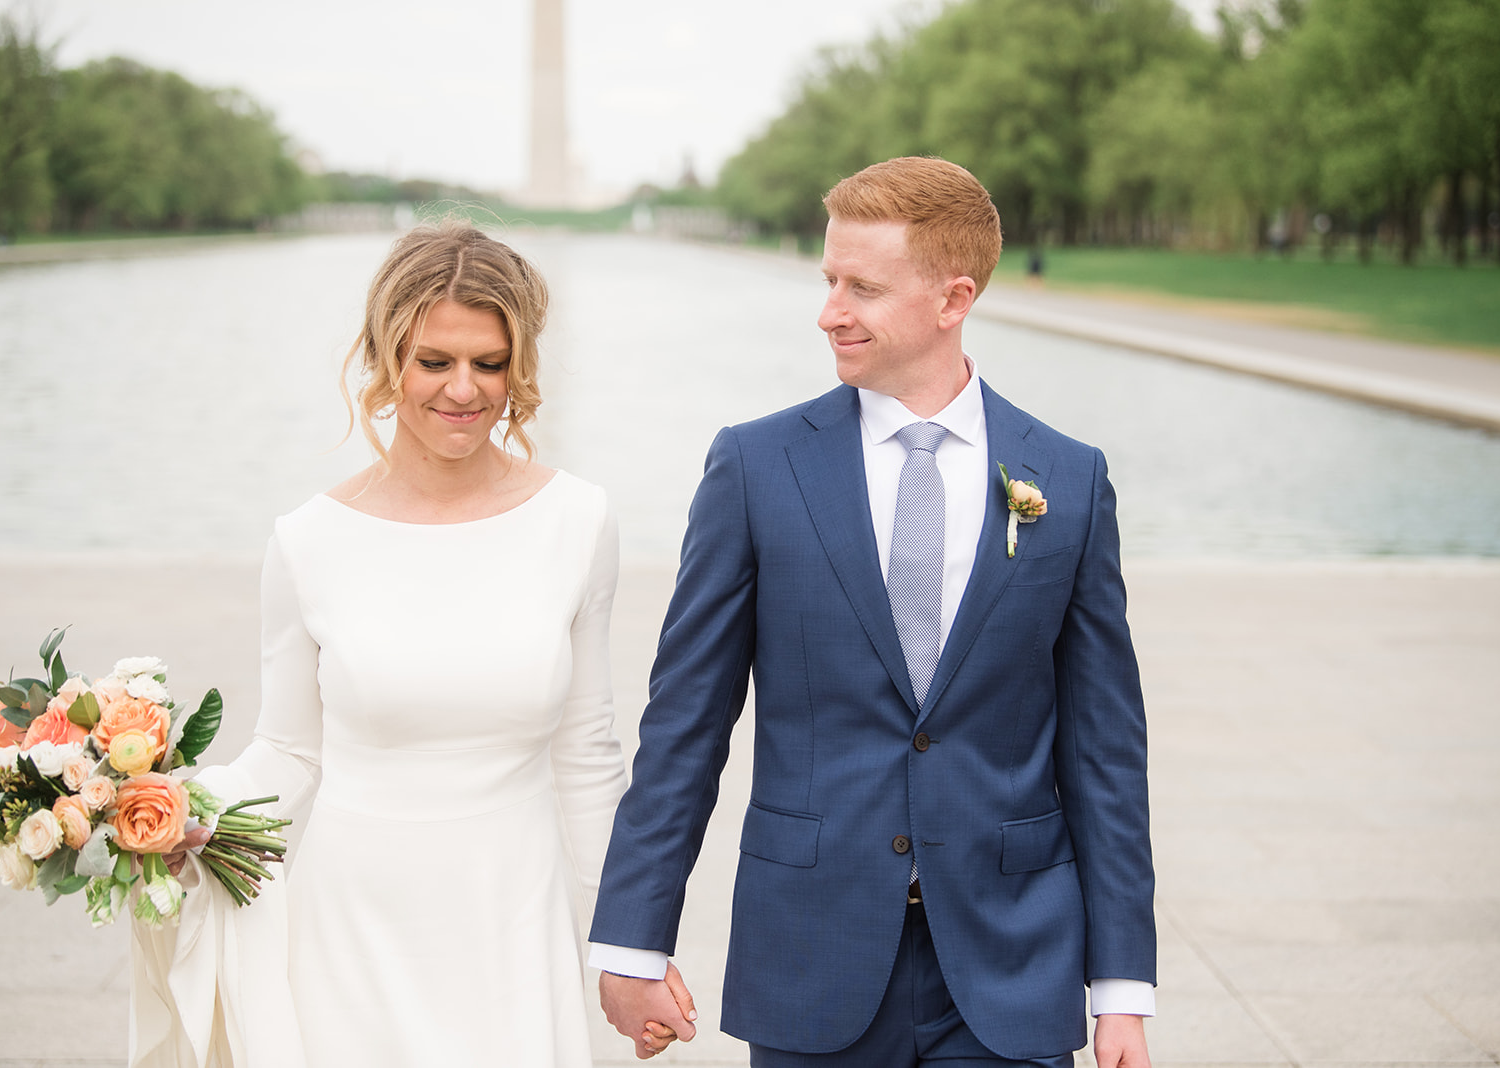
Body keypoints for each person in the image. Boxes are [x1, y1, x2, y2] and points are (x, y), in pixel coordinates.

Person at [588, 157, 1156, 1067]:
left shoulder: (1070, 479)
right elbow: (687, 724)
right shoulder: (756, 466)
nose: (830, 311)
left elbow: (1103, 749)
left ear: (952, 298)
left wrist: (1122, 988)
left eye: (862, 287)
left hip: (1013, 966)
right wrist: (631, 940)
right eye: (828, 281)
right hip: (811, 958)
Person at [131, 221, 687, 1066]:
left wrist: (627, 948)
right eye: (435, 361)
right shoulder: (308, 540)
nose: (464, 390)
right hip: (352, 923)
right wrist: (171, 808)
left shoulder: (577, 521)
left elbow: (587, 757)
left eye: (489, 363)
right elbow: (289, 752)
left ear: (519, 367)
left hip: (511, 916)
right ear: (387, 360)